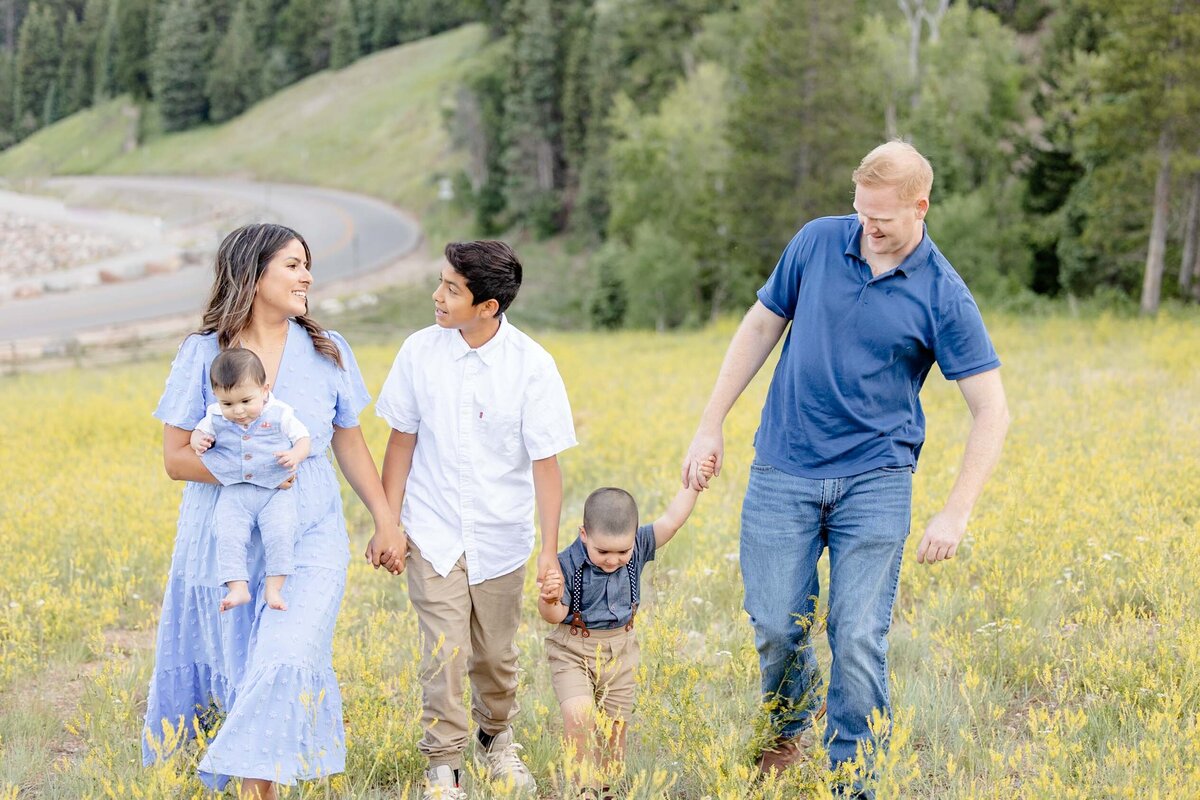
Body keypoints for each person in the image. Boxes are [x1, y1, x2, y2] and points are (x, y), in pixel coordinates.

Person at [680, 142, 1010, 788]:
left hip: (876, 481)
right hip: (784, 467)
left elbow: (992, 411)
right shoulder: (816, 243)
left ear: (921, 206)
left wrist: (955, 511)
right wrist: (709, 423)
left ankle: (851, 773)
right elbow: (758, 327)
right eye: (861, 211)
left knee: (857, 635)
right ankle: (785, 728)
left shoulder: (943, 293)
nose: (869, 226)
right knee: (777, 622)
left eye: (883, 216)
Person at [144, 223, 403, 800]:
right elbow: (175, 458)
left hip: (310, 531)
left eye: (307, 264)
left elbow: (349, 442)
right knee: (246, 670)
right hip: (226, 540)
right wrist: (251, 469)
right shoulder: (203, 353)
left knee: (285, 656)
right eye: (292, 264)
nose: (306, 275)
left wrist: (386, 519)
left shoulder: (327, 349)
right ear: (254, 273)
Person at [374, 240, 577, 800]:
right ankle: (443, 763)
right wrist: (388, 522)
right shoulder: (419, 351)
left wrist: (548, 549)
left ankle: (496, 737)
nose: (437, 296)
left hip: (500, 535)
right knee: (444, 650)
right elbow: (401, 440)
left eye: (452, 290)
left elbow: (546, 464)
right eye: (440, 283)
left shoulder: (531, 366)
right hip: (433, 530)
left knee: (494, 655)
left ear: (488, 305)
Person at [536, 457, 717, 800]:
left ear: (634, 538)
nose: (612, 559)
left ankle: (607, 789)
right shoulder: (566, 563)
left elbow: (671, 521)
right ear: (584, 534)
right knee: (579, 716)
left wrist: (694, 484)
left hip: (621, 650)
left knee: (615, 729)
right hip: (573, 649)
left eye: (622, 551)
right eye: (602, 550)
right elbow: (553, 614)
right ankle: (582, 789)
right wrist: (549, 598)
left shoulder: (638, 548)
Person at [189, 347, 311, 613]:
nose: (238, 411)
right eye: (228, 403)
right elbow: (198, 433)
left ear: (264, 390)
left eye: (246, 401)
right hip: (235, 493)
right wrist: (199, 440)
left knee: (281, 532)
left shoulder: (280, 413)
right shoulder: (215, 415)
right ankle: (237, 587)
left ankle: (274, 587)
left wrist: (295, 455)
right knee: (227, 533)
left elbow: (303, 439)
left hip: (276, 493)